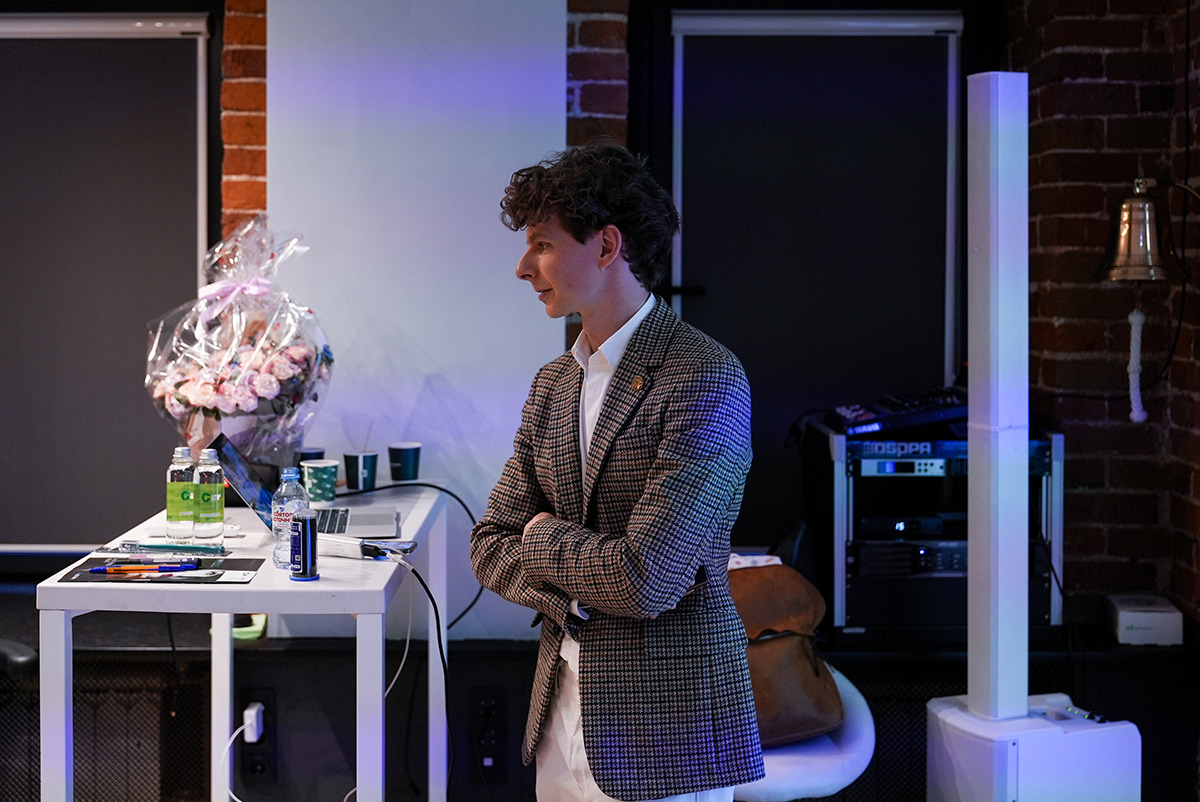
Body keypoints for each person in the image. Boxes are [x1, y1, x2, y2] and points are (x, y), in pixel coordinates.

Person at [470, 142, 765, 802]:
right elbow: (488, 544)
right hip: (558, 719)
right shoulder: (553, 383)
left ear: (606, 246)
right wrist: (576, 590)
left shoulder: (704, 376)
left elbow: (645, 579)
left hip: (667, 736)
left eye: (542, 244)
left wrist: (540, 536)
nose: (523, 267)